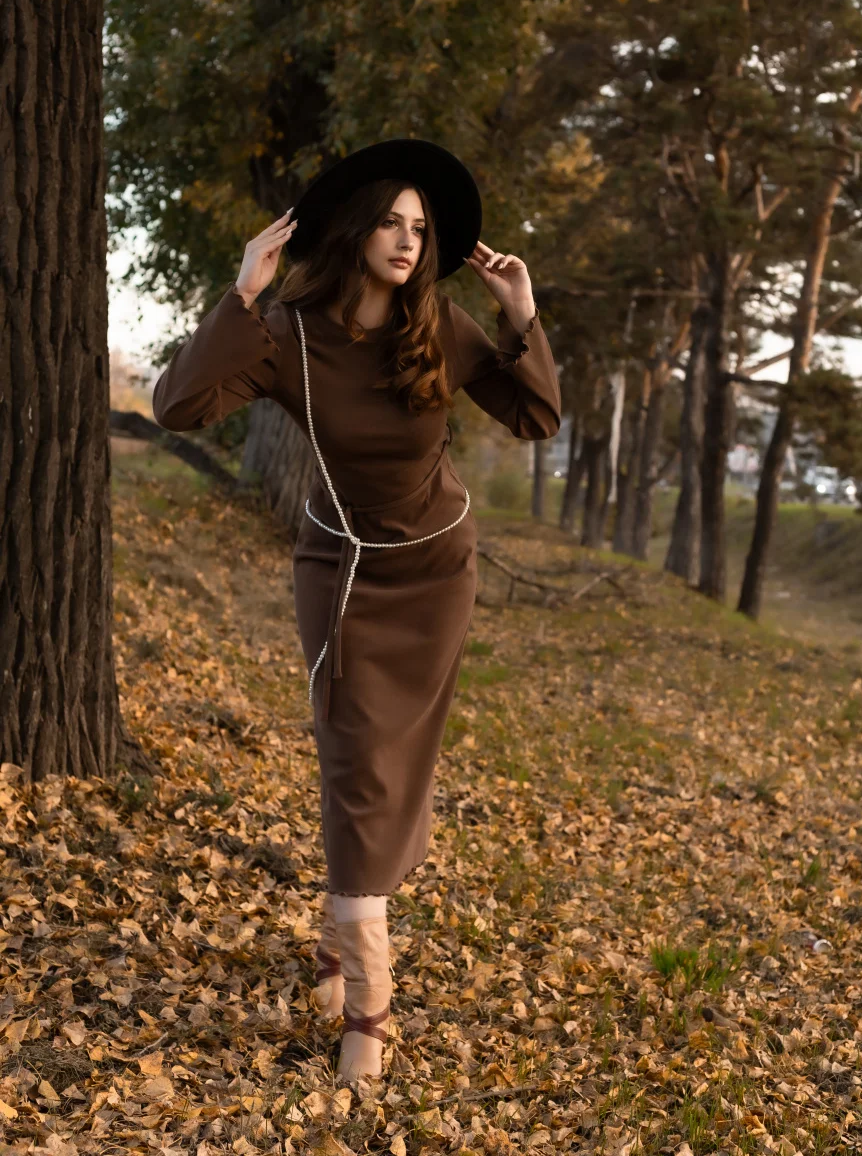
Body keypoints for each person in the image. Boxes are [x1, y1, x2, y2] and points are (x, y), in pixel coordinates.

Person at [151, 139, 561, 1084]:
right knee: (353, 760)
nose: (407, 241)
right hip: (338, 570)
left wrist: (521, 314)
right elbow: (178, 407)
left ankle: (344, 950)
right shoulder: (288, 333)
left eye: (420, 228)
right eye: (389, 222)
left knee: (389, 768)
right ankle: (369, 1006)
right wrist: (242, 295)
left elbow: (534, 418)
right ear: (353, 228)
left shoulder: (441, 324)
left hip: (435, 573)